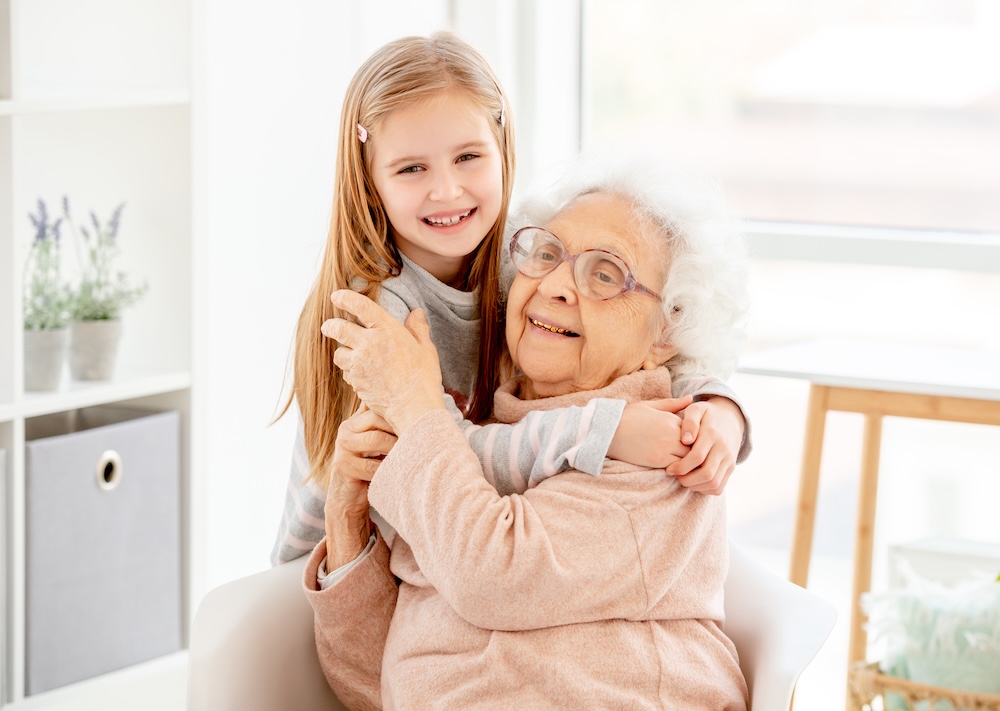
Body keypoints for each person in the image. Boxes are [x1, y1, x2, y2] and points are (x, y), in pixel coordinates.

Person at [272, 32, 751, 568]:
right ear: (368, 181)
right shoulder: (377, 318)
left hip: (434, 549)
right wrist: (601, 432)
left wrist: (720, 411)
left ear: (502, 149)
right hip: (339, 571)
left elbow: (654, 343)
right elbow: (437, 454)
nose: (448, 190)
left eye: (468, 157)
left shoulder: (519, 260)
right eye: (412, 168)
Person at [305, 153, 751, 709]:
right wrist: (348, 525)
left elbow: (490, 575)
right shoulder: (476, 441)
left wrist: (415, 407)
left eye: (605, 274)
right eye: (546, 254)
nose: (557, 285)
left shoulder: (664, 449)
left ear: (668, 332)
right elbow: (371, 683)